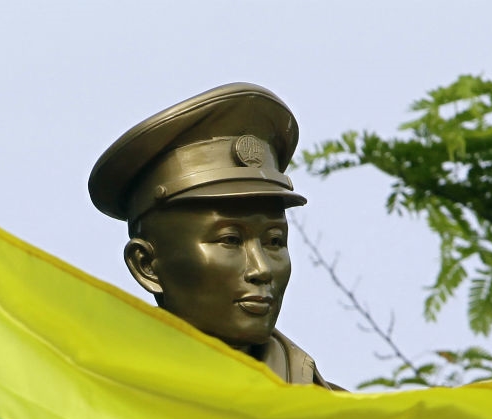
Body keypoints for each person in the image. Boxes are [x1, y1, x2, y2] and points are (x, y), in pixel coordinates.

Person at [89, 82, 338, 389]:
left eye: (274, 241)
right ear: (147, 265)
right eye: (230, 240)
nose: (261, 269)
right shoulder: (95, 405)